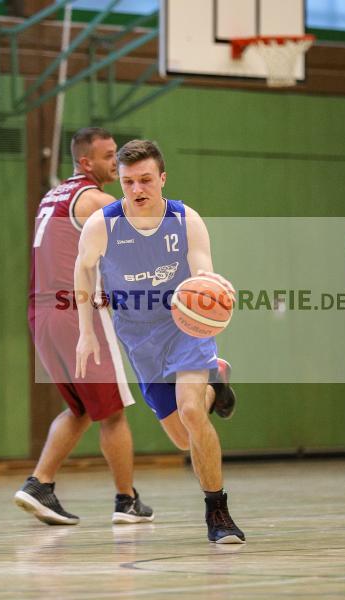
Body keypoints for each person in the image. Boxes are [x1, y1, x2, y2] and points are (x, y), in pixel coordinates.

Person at [74, 139, 244, 544]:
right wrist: (85, 332)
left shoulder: (186, 220)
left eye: (146, 180)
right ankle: (215, 379)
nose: (137, 189)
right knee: (183, 438)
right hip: (137, 336)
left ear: (162, 179)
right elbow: (83, 272)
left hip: (183, 326)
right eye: (128, 181)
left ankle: (217, 512)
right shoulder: (103, 225)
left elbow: (202, 269)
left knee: (190, 412)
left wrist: (212, 287)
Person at [15, 127, 153, 526]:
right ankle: (126, 501)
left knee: (79, 409)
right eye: (111, 156)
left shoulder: (52, 195)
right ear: (85, 162)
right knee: (113, 413)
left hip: (41, 313)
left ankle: (39, 484)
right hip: (75, 312)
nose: (118, 162)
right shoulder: (96, 200)